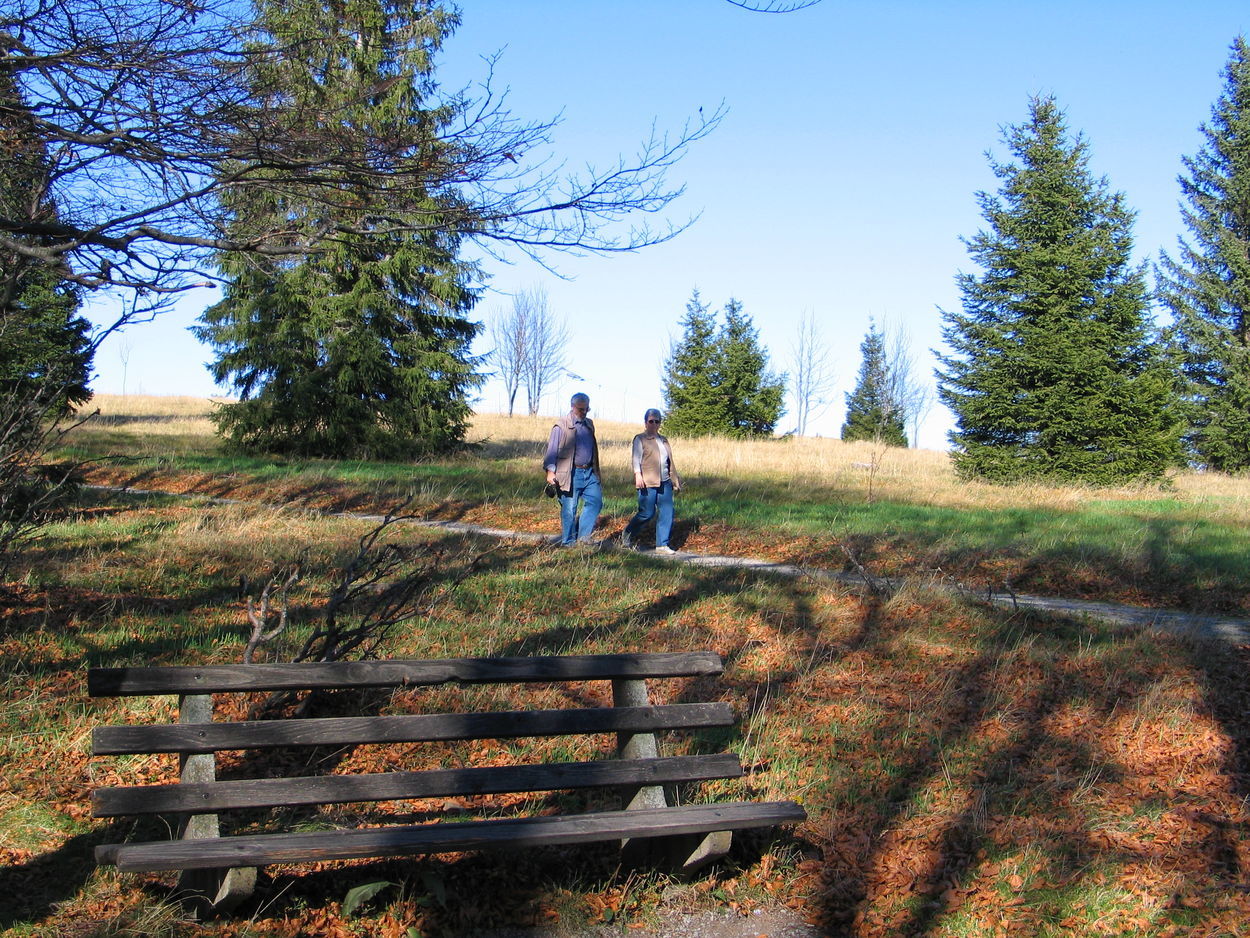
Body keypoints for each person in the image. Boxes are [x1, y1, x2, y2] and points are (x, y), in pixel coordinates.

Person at [543, 392, 602, 545]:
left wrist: (595, 471)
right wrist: (550, 471)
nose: (584, 412)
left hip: (589, 472)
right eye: (581, 409)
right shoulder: (561, 426)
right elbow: (552, 450)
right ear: (572, 406)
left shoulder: (589, 424)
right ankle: (568, 542)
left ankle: (583, 538)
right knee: (569, 509)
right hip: (569, 473)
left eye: (587, 409)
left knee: (596, 501)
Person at [621, 408, 681, 554]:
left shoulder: (664, 440)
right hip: (647, 482)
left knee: (667, 512)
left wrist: (675, 479)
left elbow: (669, 461)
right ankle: (628, 533)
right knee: (647, 513)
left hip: (665, 481)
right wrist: (638, 475)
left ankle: (662, 545)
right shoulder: (640, 439)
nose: (654, 424)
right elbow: (636, 458)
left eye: (657, 421)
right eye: (651, 421)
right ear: (645, 422)